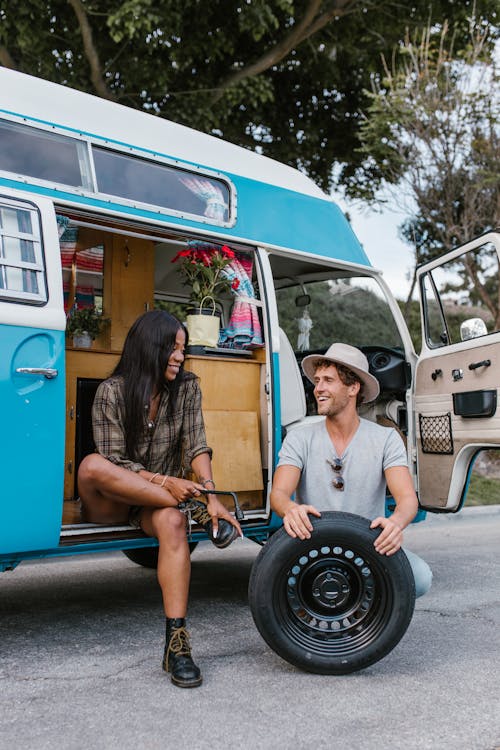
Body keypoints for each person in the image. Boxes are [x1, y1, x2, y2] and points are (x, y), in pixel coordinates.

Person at [78, 310, 242, 688]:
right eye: (173, 348)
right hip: (112, 501)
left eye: (182, 349)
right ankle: (192, 507)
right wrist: (168, 483)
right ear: (149, 347)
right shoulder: (111, 392)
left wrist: (209, 488)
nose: (180, 357)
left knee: (171, 522)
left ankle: (177, 645)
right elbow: (114, 461)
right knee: (91, 465)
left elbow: (198, 444)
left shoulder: (186, 387)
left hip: (160, 504)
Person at [270, 342, 432, 598]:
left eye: (328, 380)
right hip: (312, 547)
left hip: (368, 547)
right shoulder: (299, 438)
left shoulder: (385, 439)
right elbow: (278, 493)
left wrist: (395, 524)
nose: (318, 388)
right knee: (274, 585)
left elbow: (407, 500)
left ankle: (367, 614)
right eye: (317, 380)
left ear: (353, 388)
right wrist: (290, 509)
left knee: (420, 578)